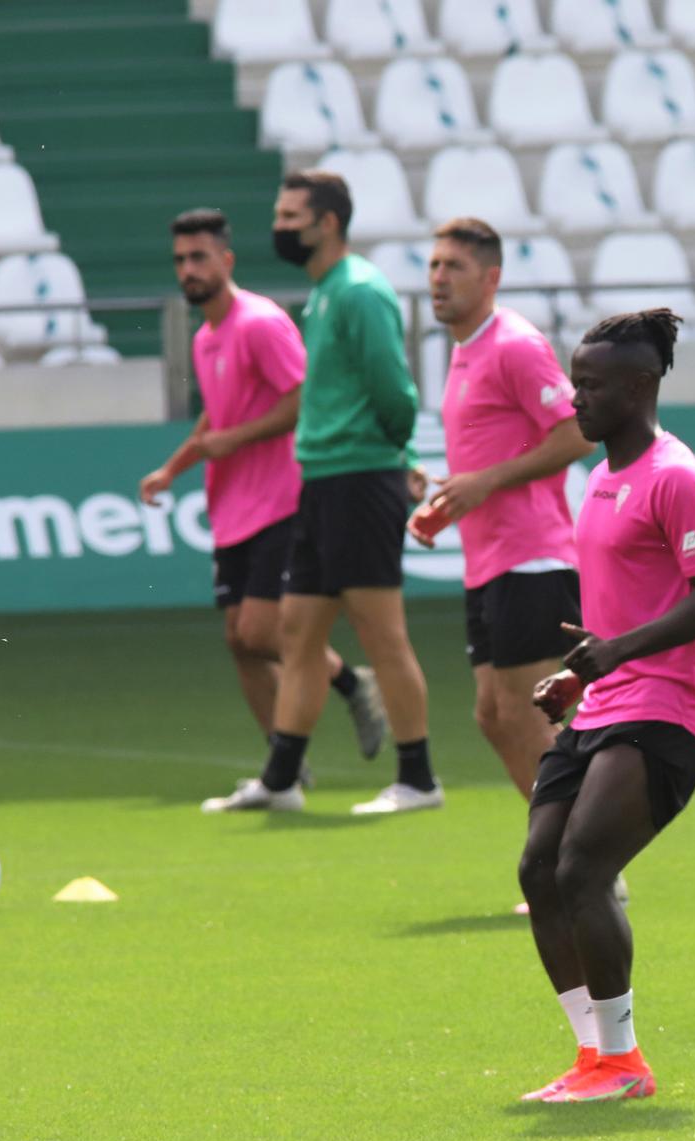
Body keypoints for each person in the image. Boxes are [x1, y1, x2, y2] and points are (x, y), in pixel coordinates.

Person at [516, 309, 695, 1103]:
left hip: (672, 705)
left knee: (584, 867)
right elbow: (619, 612)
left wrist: (614, 654)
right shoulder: (598, 477)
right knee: (539, 868)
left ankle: (623, 1062)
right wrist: (582, 673)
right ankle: (592, 1057)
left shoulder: (676, 478)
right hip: (606, 699)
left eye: (591, 384)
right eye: (575, 381)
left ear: (640, 387)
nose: (574, 398)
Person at [202, 170, 437, 816]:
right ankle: (281, 778)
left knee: (381, 634)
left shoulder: (360, 293)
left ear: (327, 222)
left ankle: (418, 778)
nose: (278, 228)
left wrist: (397, 457)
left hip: (360, 480)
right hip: (323, 481)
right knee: (298, 631)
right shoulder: (327, 293)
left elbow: (395, 391)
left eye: (289, 216)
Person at [142, 209, 387, 768]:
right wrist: (173, 468)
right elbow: (216, 418)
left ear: (226, 260)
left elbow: (305, 397)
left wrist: (237, 439)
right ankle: (287, 769)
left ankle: (352, 685)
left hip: (282, 500)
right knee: (241, 643)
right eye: (180, 260)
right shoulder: (207, 337)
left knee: (259, 628)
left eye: (199, 257)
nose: (188, 269)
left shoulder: (260, 322)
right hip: (233, 507)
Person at [409, 218, 595, 911]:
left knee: (526, 712)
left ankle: (582, 862)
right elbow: (486, 460)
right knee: (494, 715)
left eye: (454, 265)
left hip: (535, 556)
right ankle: (566, 852)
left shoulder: (515, 344)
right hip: (488, 562)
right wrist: (449, 502)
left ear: (491, 277)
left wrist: (487, 482)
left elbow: (577, 430)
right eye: (432, 265)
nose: (438, 277)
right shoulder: (461, 352)